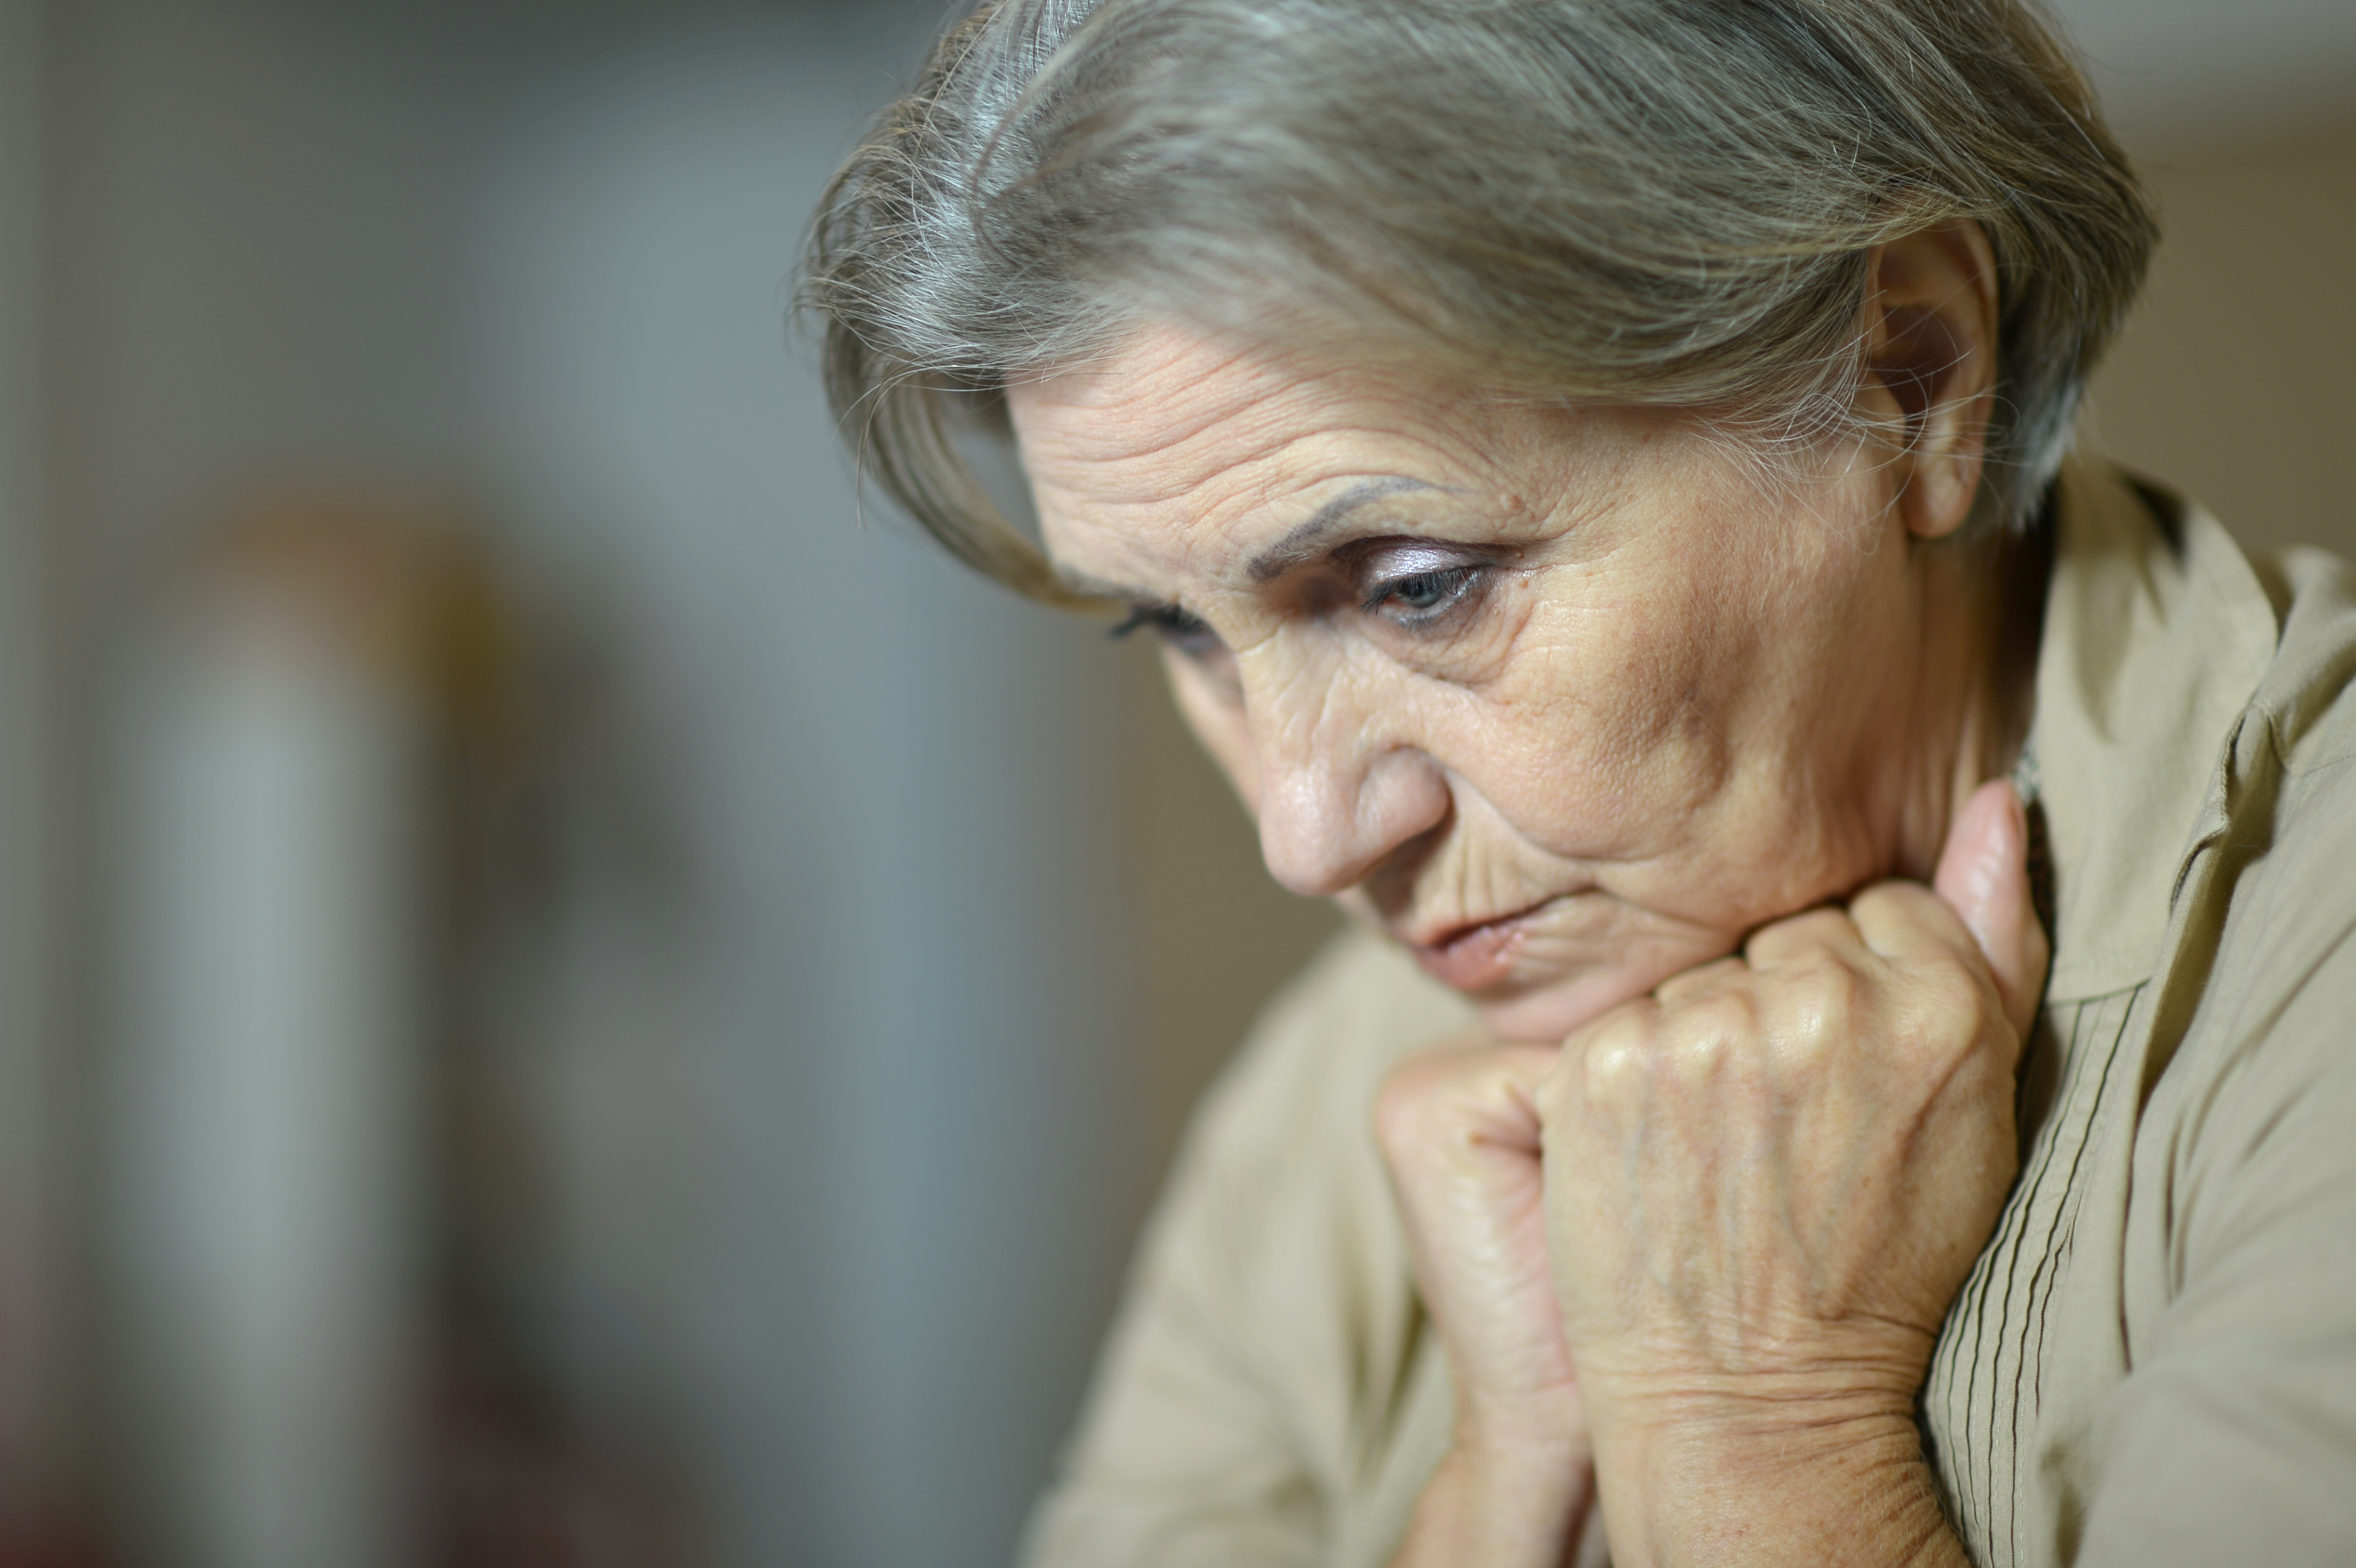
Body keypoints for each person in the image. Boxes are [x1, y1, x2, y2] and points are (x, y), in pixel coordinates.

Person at [799, 1, 2356, 1563]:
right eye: (1175, 629)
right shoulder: (1336, 1099)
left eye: (1416, 587)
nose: (1309, 839)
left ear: (1908, 375)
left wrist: (1751, 1428)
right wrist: (1496, 1499)